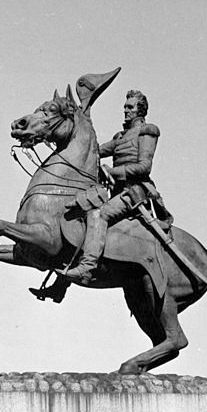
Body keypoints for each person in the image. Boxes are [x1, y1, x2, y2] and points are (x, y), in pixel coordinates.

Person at [61, 89, 172, 282]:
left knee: (98, 214)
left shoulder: (148, 130)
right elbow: (93, 151)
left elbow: (144, 167)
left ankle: (87, 266)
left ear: (140, 110)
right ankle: (60, 283)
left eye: (130, 107)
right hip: (115, 192)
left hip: (134, 192)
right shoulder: (120, 136)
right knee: (77, 213)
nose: (126, 111)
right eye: (125, 107)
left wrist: (111, 172)